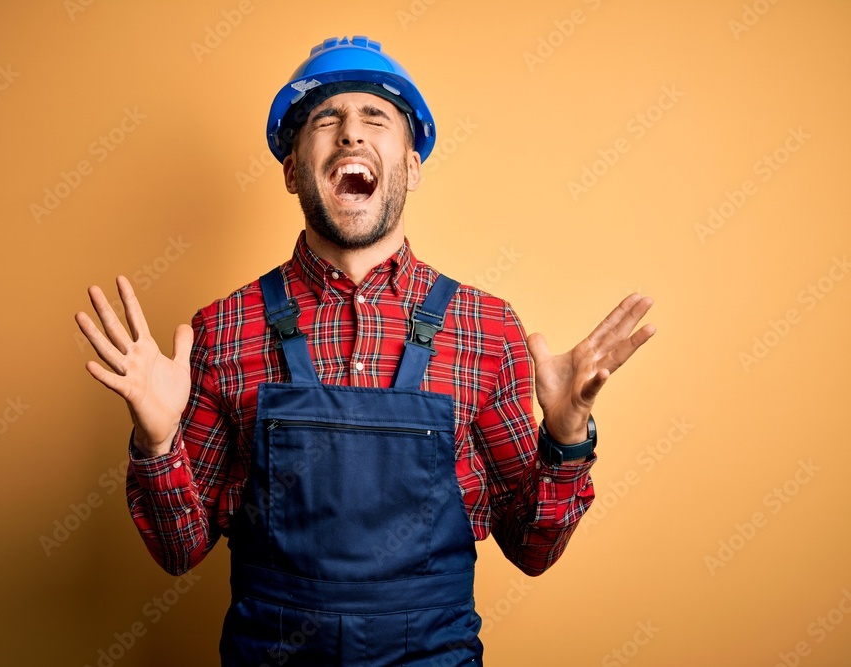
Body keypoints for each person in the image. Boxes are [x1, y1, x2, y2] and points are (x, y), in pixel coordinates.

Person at [76, 35, 655, 666]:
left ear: (410, 166)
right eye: (326, 120)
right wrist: (156, 444)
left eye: (374, 118)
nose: (350, 134)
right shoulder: (224, 329)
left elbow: (532, 551)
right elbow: (177, 551)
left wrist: (567, 438)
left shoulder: (486, 329)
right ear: (294, 170)